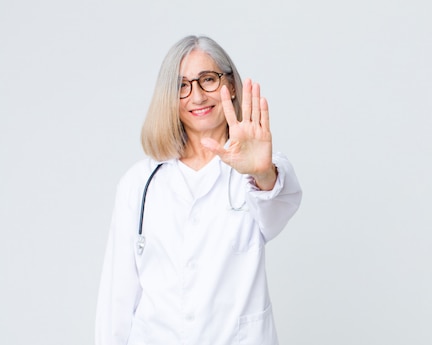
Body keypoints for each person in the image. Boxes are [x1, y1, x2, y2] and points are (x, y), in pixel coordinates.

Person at [95, 35, 302, 345]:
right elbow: (117, 301)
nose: (197, 96)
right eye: (182, 86)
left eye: (208, 79)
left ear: (230, 86)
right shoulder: (140, 183)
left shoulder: (256, 171)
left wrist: (262, 172)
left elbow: (277, 205)